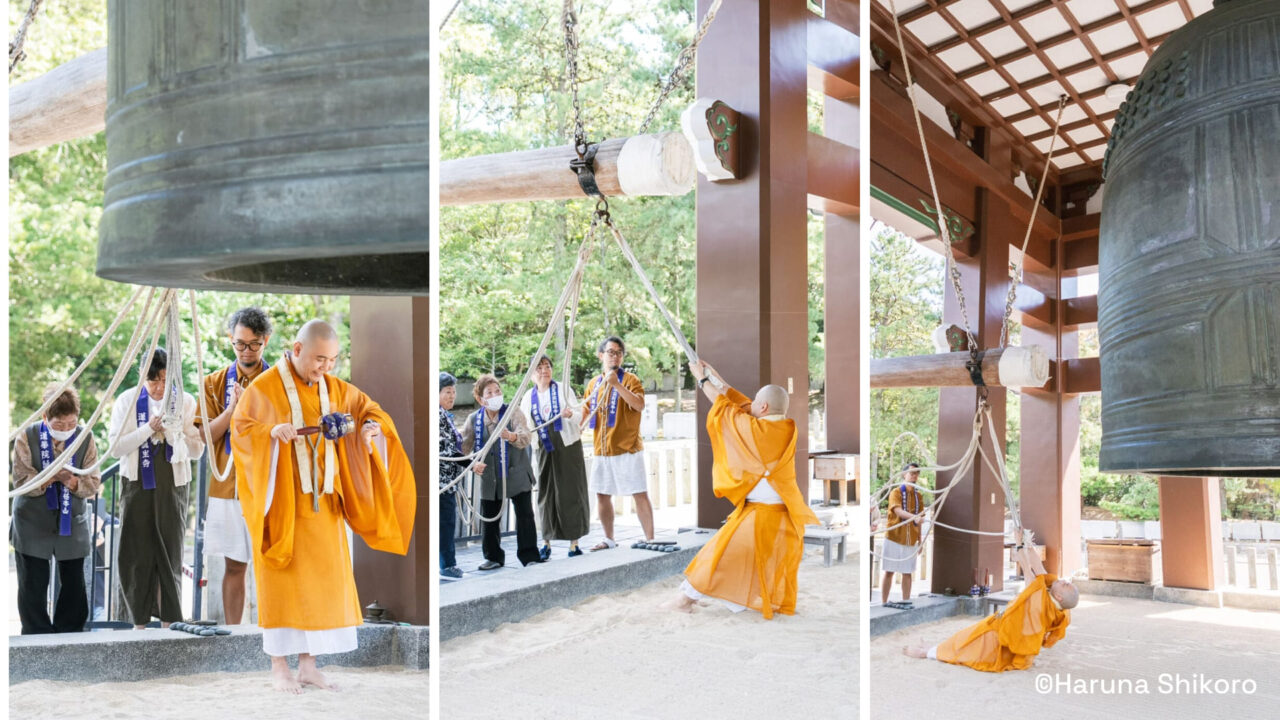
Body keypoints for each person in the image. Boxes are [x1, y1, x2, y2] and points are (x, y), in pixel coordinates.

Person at [231, 320, 415, 693]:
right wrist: (270, 433)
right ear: (296, 350)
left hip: (325, 506)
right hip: (281, 505)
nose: (325, 368)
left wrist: (370, 430)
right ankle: (279, 668)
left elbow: (370, 410)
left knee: (321, 589)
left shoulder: (335, 389)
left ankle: (309, 665)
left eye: (331, 360)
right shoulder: (264, 390)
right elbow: (242, 429)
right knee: (282, 586)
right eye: (319, 359)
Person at [664, 360, 820, 618]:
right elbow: (738, 402)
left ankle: (684, 600)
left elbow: (725, 407)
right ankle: (699, 596)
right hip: (781, 518)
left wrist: (702, 381)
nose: (750, 405)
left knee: (716, 554)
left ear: (764, 407)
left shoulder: (757, 430)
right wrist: (714, 375)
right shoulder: (784, 427)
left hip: (763, 517)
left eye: (756, 402)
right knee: (731, 557)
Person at [108, 347, 204, 629]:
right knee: (137, 553)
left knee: (170, 551)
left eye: (164, 380)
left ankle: (169, 621)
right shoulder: (127, 400)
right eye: (153, 381)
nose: (159, 387)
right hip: (136, 482)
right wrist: (148, 429)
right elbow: (116, 448)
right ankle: (137, 623)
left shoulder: (184, 401)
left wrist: (174, 436)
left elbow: (197, 450)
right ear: (142, 377)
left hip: (172, 483)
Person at [194, 306, 272, 624]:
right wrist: (232, 410)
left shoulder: (279, 381)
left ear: (265, 341)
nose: (246, 351)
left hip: (268, 482)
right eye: (240, 343)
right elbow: (203, 437)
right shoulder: (213, 382)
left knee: (272, 564)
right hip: (227, 487)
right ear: (231, 341)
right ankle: (234, 634)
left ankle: (272, 632)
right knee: (235, 565)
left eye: (253, 344)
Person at [904, 536, 1078, 671]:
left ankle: (926, 652)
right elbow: (1039, 567)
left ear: (1059, 596)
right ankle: (934, 649)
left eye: (1064, 584)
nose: (1062, 580)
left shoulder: (1039, 602)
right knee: (964, 638)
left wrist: (1019, 544)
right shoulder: (1059, 604)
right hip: (1003, 627)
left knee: (967, 645)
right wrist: (1027, 542)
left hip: (999, 639)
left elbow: (1028, 569)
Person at [11, 383, 103, 634]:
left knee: (74, 582)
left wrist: (71, 480)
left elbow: (93, 484)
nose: (66, 430)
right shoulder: (26, 436)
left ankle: (69, 633)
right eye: (59, 425)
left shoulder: (86, 437)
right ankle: (36, 635)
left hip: (71, 518)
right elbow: (21, 482)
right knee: (32, 582)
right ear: (45, 418)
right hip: (32, 519)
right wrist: (52, 476)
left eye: (71, 423)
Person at [460, 374, 540, 570]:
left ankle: (529, 555)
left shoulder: (513, 412)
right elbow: (464, 446)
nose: (495, 395)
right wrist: (467, 462)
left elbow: (526, 435)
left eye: (498, 391)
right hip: (490, 476)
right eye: (490, 393)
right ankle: (493, 556)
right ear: (480, 399)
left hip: (517, 473)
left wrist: (511, 436)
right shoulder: (474, 419)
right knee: (490, 517)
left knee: (524, 515)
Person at [581, 336, 653, 550]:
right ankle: (609, 539)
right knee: (602, 493)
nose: (615, 356)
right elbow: (585, 413)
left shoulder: (630, 379)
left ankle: (651, 538)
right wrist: (572, 416)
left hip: (627, 447)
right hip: (602, 449)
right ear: (600, 355)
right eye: (611, 352)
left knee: (638, 492)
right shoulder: (594, 383)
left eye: (619, 352)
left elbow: (639, 405)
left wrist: (617, 385)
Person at [520, 354, 589, 560]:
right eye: (539, 368)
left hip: (567, 444)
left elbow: (579, 416)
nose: (544, 371)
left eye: (547, 366)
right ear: (532, 374)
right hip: (542, 447)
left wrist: (571, 415)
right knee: (545, 492)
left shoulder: (563, 389)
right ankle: (546, 541)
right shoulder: (527, 398)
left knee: (570, 491)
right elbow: (525, 428)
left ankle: (574, 543)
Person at [439, 372, 484, 579]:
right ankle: (447, 565)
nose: (452, 396)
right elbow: (445, 451)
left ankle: (447, 563)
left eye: (454, 392)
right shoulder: (437, 416)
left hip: (448, 481)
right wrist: (471, 463)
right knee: (445, 523)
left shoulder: (444, 416)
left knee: (447, 522)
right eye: (447, 392)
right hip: (442, 482)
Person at [881, 463, 924, 605]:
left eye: (917, 473)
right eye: (912, 473)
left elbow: (920, 520)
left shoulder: (919, 495)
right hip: (894, 537)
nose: (914, 476)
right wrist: (914, 517)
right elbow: (898, 511)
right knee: (889, 571)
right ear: (904, 474)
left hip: (910, 539)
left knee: (907, 572)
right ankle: (884, 602)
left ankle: (906, 601)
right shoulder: (896, 492)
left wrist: (920, 540)